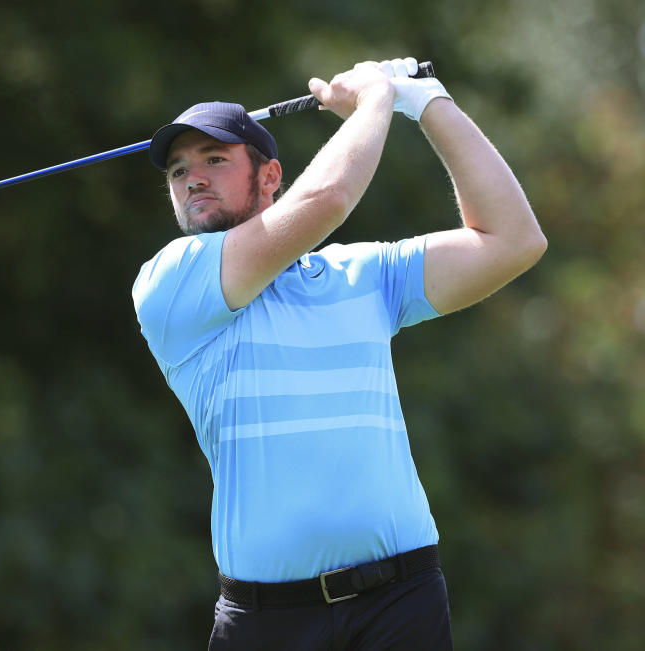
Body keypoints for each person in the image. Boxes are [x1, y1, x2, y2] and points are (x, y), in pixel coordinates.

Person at [131, 57, 546, 650]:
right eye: (178, 170)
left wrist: (427, 102)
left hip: (401, 602)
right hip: (268, 622)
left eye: (215, 160)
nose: (192, 178)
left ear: (270, 176)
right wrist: (377, 96)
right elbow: (327, 199)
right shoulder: (170, 285)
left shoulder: (362, 274)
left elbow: (514, 240)